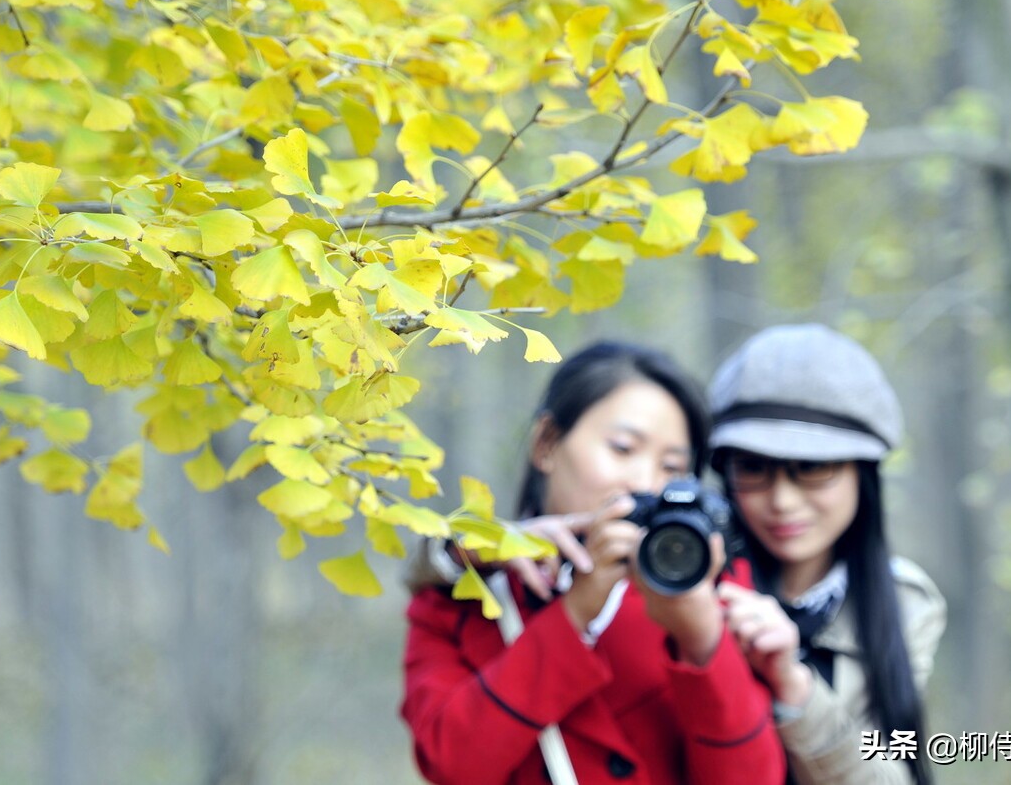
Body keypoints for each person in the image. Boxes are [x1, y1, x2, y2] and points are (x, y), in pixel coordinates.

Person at [400, 342, 786, 785]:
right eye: (622, 448)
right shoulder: (465, 596)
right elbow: (451, 763)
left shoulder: (710, 589)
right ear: (546, 443)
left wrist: (702, 641)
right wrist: (573, 615)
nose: (643, 481)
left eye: (672, 467)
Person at [707, 324, 946, 785]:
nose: (782, 501)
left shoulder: (906, 602)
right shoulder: (691, 583)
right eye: (753, 467)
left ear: (864, 474)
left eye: (813, 468)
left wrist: (794, 686)